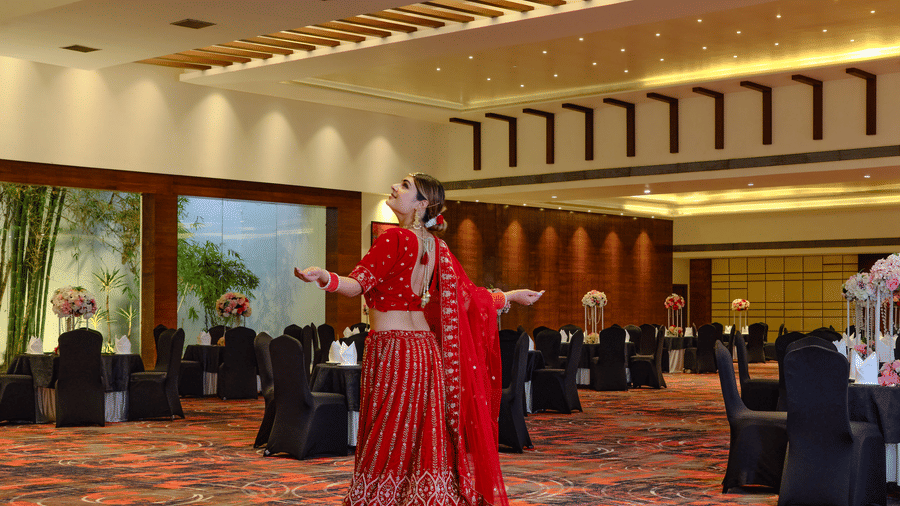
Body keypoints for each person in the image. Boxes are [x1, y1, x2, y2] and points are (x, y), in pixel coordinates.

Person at [295, 173, 543, 506]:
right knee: (419, 431)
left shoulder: (394, 239)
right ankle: (424, 495)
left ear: (421, 204)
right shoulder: (437, 246)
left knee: (387, 429)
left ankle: (381, 496)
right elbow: (467, 298)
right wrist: (508, 296)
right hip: (426, 352)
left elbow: (357, 285)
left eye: (405, 185)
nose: (395, 187)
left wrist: (325, 278)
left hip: (394, 348)